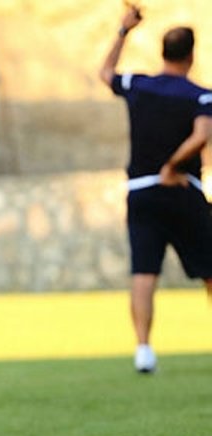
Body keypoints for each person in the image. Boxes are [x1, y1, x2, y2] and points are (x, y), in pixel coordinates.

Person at [99, 4, 212, 374]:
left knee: (144, 273)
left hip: (141, 192)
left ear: (163, 52)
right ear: (191, 55)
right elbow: (202, 136)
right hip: (182, 190)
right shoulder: (200, 96)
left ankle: (143, 350)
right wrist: (174, 164)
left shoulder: (140, 86)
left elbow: (105, 73)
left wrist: (123, 30)